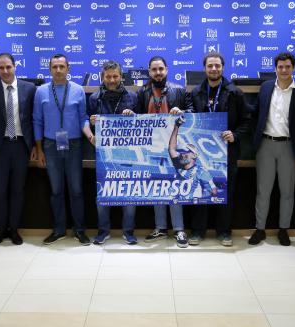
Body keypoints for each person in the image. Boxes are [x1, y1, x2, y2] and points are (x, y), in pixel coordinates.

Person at [248, 52, 295, 246]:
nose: (283, 70)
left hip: (289, 146)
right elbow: (256, 113)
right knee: (263, 190)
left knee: (287, 191)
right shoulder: (266, 87)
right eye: (280, 67)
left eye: (287, 67)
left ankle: (284, 229)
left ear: (293, 68)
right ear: (275, 68)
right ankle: (260, 229)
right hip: (265, 145)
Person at [189, 52, 251, 247]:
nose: (214, 69)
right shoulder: (196, 92)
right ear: (205, 68)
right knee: (201, 190)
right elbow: (191, 118)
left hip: (227, 151)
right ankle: (198, 231)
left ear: (223, 67)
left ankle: (224, 232)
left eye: (217, 66)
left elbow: (247, 121)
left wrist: (235, 134)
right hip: (201, 152)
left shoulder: (235, 92)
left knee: (225, 192)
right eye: (210, 66)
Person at [130, 56, 192, 248]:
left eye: (161, 69)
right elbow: (137, 116)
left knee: (174, 185)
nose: (158, 73)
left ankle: (179, 229)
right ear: (149, 72)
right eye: (154, 70)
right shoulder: (142, 92)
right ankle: (161, 227)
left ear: (167, 70)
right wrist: (131, 116)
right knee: (157, 185)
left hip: (174, 143)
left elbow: (192, 112)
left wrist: (181, 111)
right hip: (151, 145)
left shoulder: (179, 90)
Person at [34, 54, 94, 245]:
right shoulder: (41, 91)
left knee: (76, 190)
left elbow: (83, 117)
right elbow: (37, 120)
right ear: (50, 69)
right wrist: (39, 149)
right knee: (56, 190)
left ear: (68, 68)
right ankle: (59, 230)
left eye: (62, 66)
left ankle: (80, 230)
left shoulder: (77, 90)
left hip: (74, 144)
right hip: (50, 145)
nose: (58, 70)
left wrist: (90, 134)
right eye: (54, 67)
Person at [0, 53, 36, 246]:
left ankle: (14, 229)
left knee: (17, 190)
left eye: (8, 67)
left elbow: (33, 119)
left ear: (15, 66)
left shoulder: (29, 89)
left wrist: (34, 146)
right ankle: (1, 229)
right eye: (1, 67)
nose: (5, 71)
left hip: (21, 146)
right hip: (0, 148)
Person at [88, 60, 139, 245]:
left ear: (121, 76)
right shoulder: (94, 98)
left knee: (130, 193)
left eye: (115, 76)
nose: (111, 80)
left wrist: (134, 117)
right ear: (103, 76)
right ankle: (103, 231)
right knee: (102, 193)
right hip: (103, 154)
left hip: (129, 153)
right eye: (108, 76)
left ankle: (128, 231)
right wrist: (92, 123)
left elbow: (144, 124)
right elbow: (88, 124)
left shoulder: (133, 97)